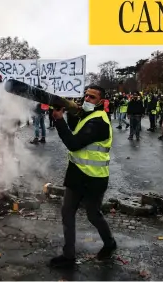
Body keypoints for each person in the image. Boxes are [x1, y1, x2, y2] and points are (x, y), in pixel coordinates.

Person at [49, 85, 116, 268]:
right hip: (77, 174)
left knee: (93, 215)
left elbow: (73, 143)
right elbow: (73, 128)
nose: (86, 99)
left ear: (101, 102)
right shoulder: (86, 116)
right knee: (67, 212)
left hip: (94, 178)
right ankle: (68, 254)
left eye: (92, 97)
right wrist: (63, 112)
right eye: (85, 95)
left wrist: (59, 120)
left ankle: (110, 243)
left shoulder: (99, 122)